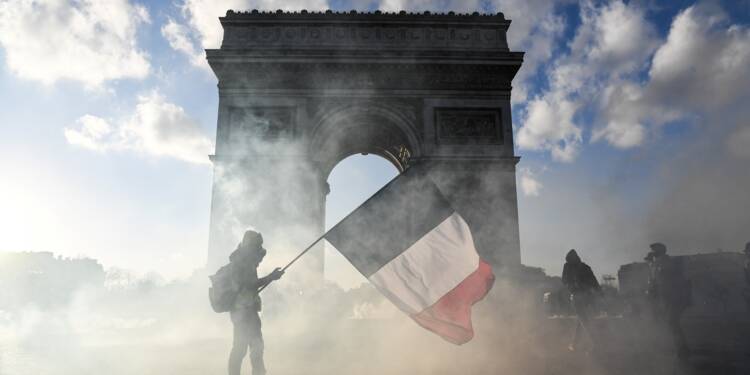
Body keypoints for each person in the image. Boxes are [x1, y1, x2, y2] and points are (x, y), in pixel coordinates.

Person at [227, 230, 284, 375]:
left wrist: (271, 277)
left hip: (246, 309)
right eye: (257, 245)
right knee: (245, 348)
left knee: (253, 347)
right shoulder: (241, 262)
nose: (259, 249)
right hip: (243, 311)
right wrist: (271, 277)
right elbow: (249, 284)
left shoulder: (244, 260)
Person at [645, 242, 691, 360]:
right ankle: (680, 348)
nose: (652, 252)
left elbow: (662, 279)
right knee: (670, 323)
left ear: (659, 251)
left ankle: (682, 350)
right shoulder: (657, 263)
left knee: (672, 322)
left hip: (672, 297)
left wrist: (652, 263)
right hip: (666, 298)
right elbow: (654, 282)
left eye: (654, 251)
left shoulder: (665, 262)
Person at [562, 249, 601, 352]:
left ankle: (596, 343)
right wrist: (599, 293)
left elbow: (564, 281)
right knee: (582, 320)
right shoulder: (584, 267)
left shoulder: (568, 266)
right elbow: (595, 283)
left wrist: (573, 286)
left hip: (579, 297)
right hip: (585, 296)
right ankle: (574, 344)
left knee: (583, 320)